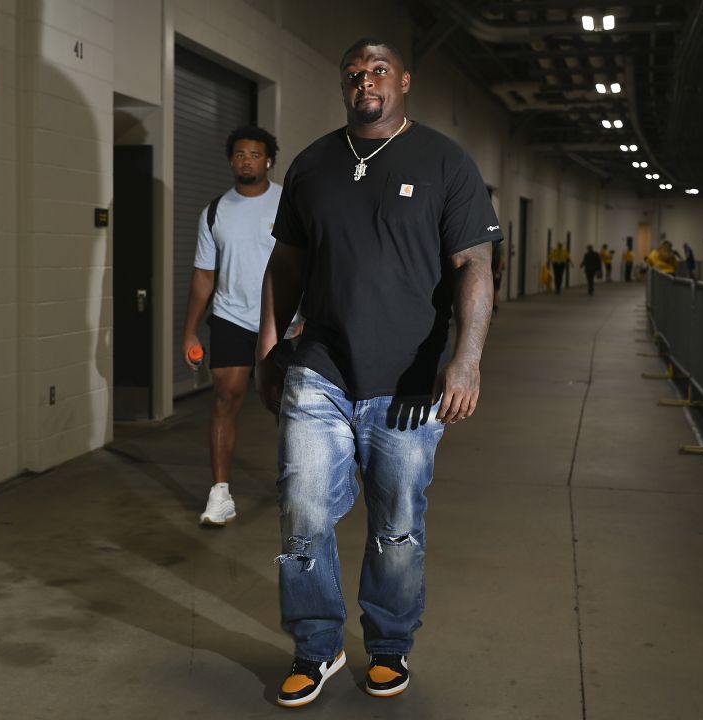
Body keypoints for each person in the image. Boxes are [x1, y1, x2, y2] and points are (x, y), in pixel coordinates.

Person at [255, 37, 500, 708]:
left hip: (411, 382)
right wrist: (269, 354)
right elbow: (286, 269)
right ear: (345, 85)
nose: (366, 80)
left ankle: (388, 646)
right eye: (355, 72)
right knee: (302, 512)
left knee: (396, 523)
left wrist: (467, 359)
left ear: (405, 81)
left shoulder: (446, 162)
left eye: (380, 70)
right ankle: (316, 646)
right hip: (321, 369)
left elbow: (475, 264)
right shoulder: (311, 165)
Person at [182, 125, 283, 527]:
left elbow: (312, 263)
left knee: (284, 404)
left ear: (269, 160)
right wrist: (189, 330)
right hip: (231, 317)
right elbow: (204, 276)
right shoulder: (214, 211)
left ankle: (294, 484)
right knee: (226, 396)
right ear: (231, 160)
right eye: (239, 154)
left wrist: (307, 317)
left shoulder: (289, 204)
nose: (246, 161)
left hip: (283, 320)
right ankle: (220, 494)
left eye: (254, 155)